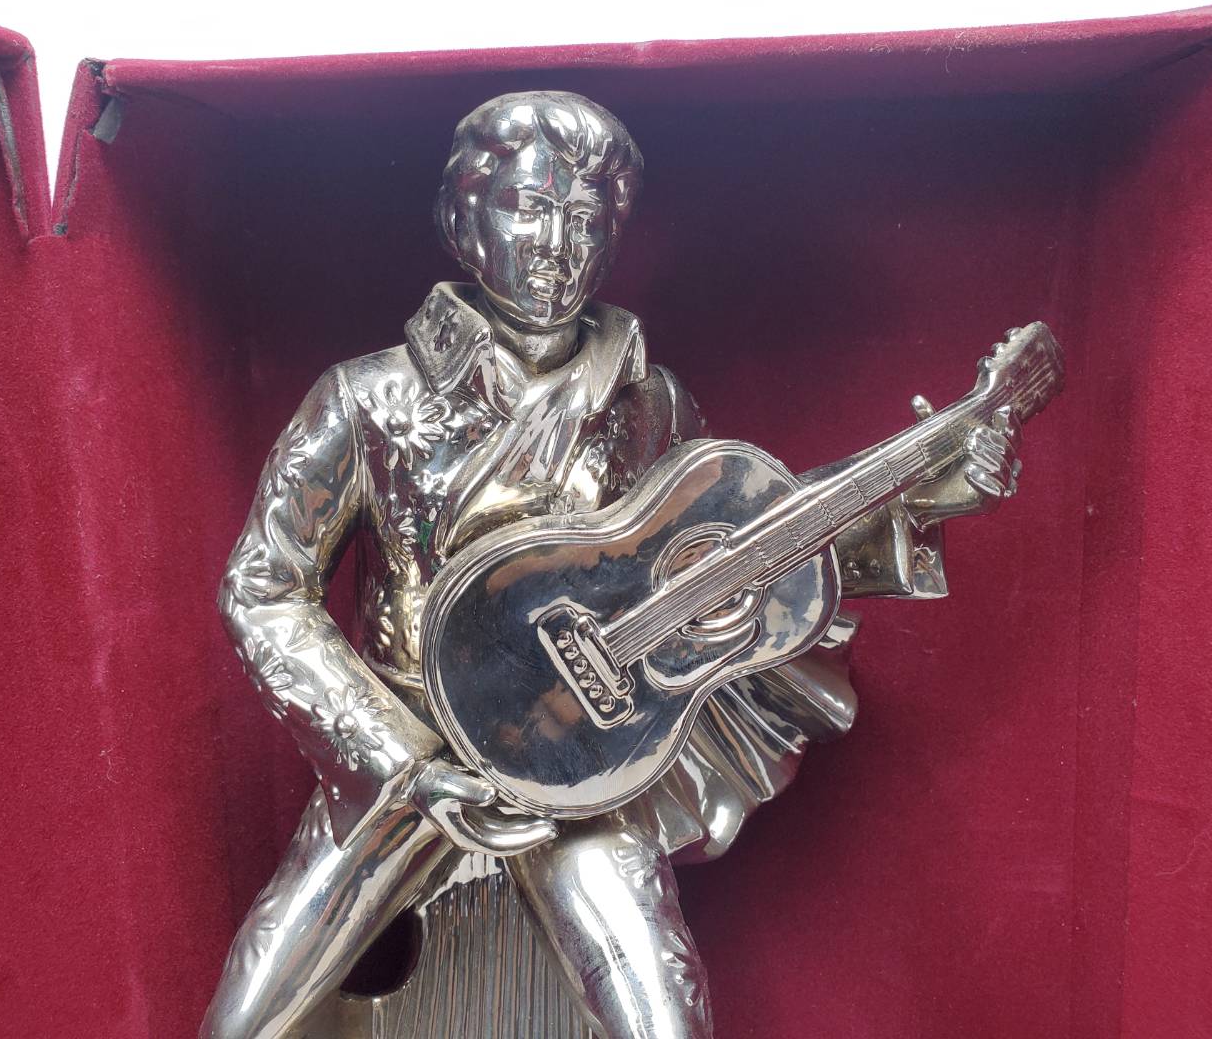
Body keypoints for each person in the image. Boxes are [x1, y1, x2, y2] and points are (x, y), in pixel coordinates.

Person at [201, 90, 1021, 1039]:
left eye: (585, 219)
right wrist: (401, 761)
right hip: (411, 754)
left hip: (585, 768)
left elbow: (747, 555)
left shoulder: (652, 407)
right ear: (464, 220)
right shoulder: (365, 398)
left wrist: (926, 493)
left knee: (660, 1017)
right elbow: (264, 589)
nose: (557, 244)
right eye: (529, 207)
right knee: (247, 1021)